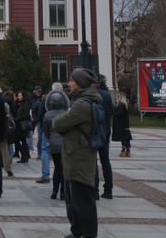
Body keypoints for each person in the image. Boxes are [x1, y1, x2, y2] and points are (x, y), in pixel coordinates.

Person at [53, 68, 100, 238]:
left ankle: (87, 233)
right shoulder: (81, 101)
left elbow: (58, 123)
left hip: (79, 157)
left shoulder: (81, 105)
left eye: (72, 81)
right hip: (74, 156)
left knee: (82, 200)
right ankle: (77, 231)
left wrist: (62, 119)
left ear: (80, 84)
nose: (69, 83)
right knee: (73, 200)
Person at [43, 82, 70, 200]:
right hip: (64, 144)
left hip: (53, 144)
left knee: (56, 168)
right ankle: (63, 192)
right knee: (63, 168)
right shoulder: (66, 114)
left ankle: (54, 191)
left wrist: (51, 138)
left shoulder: (47, 115)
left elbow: (46, 131)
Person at [93, 79, 114, 199]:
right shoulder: (106, 95)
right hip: (105, 131)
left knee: (93, 162)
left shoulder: (90, 95)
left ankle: (95, 190)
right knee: (105, 161)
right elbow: (110, 111)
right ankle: (108, 189)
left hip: (95, 132)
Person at [30, 86, 51, 183]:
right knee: (41, 140)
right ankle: (39, 154)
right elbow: (36, 111)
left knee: (44, 143)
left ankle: (45, 175)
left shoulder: (43, 100)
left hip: (43, 122)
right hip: (42, 122)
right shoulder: (36, 99)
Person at [112, 90, 132, 157]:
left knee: (123, 138)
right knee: (126, 137)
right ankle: (128, 150)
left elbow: (119, 113)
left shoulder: (120, 104)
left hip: (120, 124)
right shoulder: (125, 104)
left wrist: (114, 113)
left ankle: (123, 150)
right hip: (125, 124)